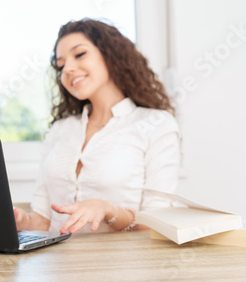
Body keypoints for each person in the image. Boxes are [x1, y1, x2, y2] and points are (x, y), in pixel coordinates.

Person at [13, 18, 181, 234]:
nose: (68, 69)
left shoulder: (156, 124)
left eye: (79, 54)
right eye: (61, 64)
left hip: (121, 265)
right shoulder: (61, 129)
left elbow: (154, 224)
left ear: (111, 55)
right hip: (56, 265)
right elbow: (44, 221)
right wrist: (20, 221)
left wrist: (108, 210)